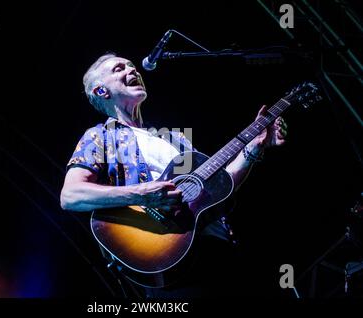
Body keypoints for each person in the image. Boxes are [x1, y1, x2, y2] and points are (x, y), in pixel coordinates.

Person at [60, 53, 288, 298]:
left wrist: (254, 148)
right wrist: (142, 194)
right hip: (168, 259)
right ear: (102, 91)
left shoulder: (173, 137)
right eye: (119, 68)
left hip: (219, 249)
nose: (132, 70)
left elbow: (219, 187)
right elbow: (71, 195)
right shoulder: (101, 136)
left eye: (132, 66)